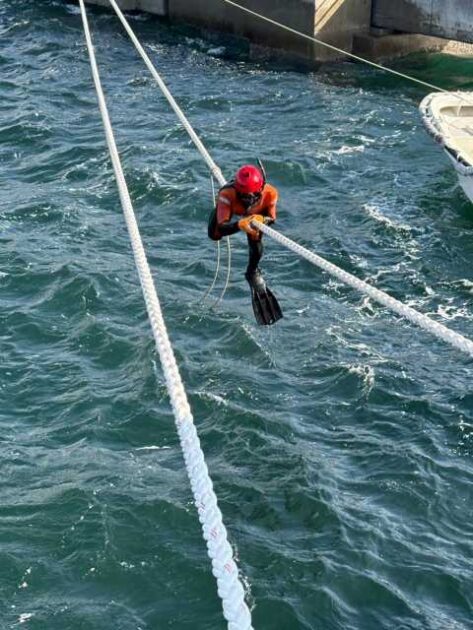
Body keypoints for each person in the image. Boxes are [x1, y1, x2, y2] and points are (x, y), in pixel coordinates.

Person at [208, 163, 283, 325]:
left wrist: (262, 219)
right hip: (232, 210)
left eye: (252, 196)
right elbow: (222, 227)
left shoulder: (270, 193)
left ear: (260, 189)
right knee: (214, 234)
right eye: (244, 196)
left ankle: (252, 272)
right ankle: (222, 210)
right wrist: (238, 225)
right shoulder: (227, 194)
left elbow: (272, 218)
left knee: (256, 241)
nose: (248, 200)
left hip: (257, 215)